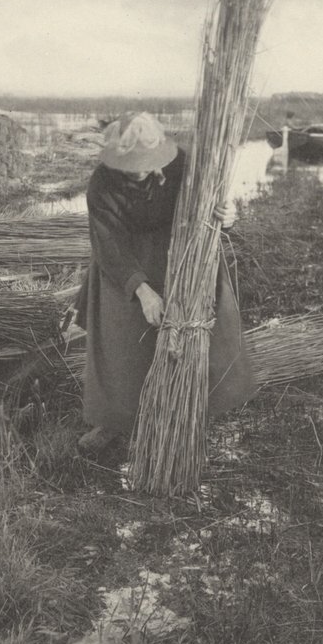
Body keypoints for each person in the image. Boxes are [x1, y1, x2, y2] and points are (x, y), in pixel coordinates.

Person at [73, 113, 256, 456]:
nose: (139, 170)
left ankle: (193, 410)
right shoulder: (101, 183)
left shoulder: (183, 164)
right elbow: (108, 243)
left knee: (197, 331)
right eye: (131, 164)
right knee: (122, 339)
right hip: (126, 261)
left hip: (183, 254)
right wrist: (141, 291)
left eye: (145, 162)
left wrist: (227, 217)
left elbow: (211, 209)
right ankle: (115, 421)